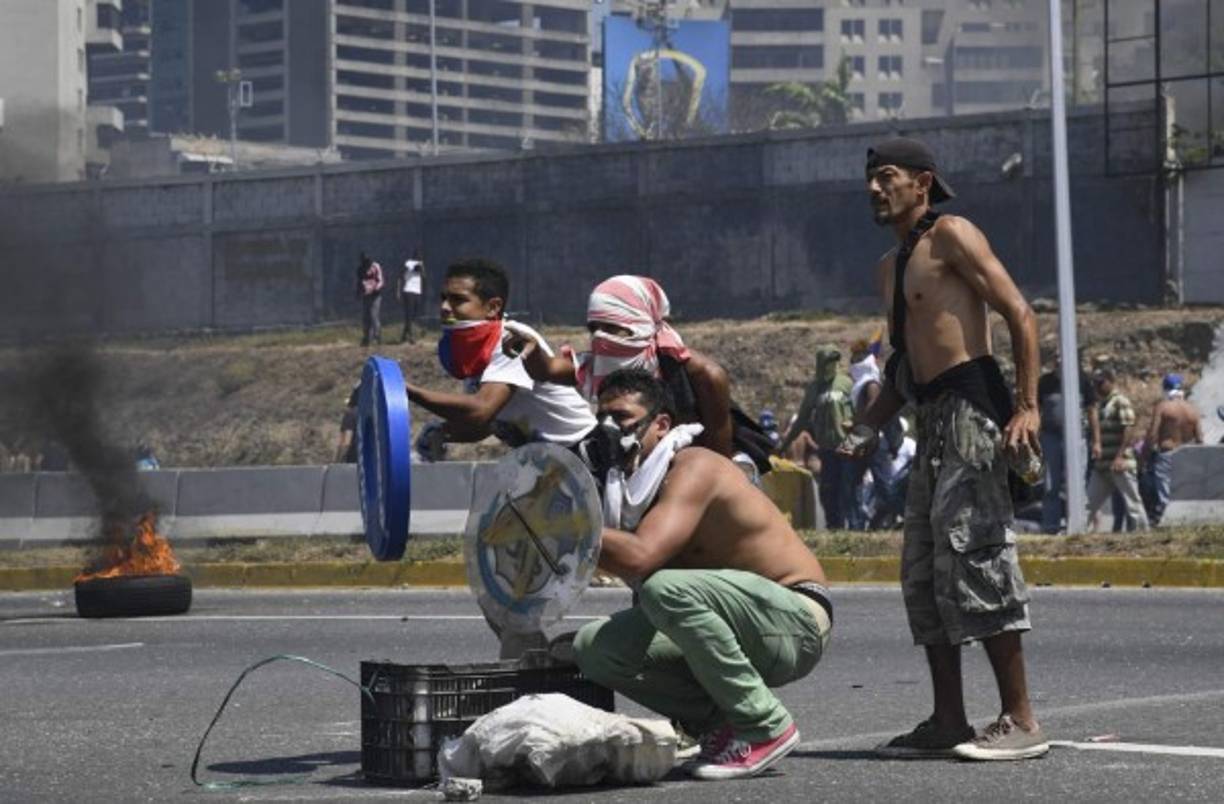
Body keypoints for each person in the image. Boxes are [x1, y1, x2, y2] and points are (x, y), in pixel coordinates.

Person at [843, 137, 1047, 760]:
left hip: (972, 413)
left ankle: (1020, 719)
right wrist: (870, 424)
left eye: (888, 177)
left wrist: (1028, 404)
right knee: (928, 571)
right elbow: (906, 363)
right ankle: (948, 719)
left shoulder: (952, 234)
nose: (877, 188)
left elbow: (1019, 313)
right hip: (928, 421)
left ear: (922, 182)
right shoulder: (889, 266)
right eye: (872, 180)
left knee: (977, 557)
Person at [572, 369, 832, 781]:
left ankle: (764, 725)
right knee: (593, 647)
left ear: (660, 424)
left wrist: (566, 527)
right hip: (738, 624)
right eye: (601, 416)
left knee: (663, 588)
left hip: (794, 620)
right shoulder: (631, 487)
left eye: (621, 417)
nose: (608, 429)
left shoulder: (694, 466)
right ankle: (719, 725)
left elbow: (640, 558)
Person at [508, 275, 774, 478]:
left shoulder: (702, 375)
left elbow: (719, 450)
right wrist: (529, 350)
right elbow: (548, 369)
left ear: (640, 324)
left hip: (695, 468)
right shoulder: (599, 364)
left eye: (613, 328)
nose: (601, 338)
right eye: (594, 328)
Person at [403, 258, 596, 454]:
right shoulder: (473, 349)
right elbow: (487, 423)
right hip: (542, 461)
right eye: (443, 298)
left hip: (582, 452)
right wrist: (444, 432)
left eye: (458, 299)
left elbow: (481, 410)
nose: (445, 307)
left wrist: (409, 392)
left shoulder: (511, 340)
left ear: (493, 307)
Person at [781, 347, 855, 529]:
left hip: (848, 446)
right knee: (828, 491)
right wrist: (785, 444)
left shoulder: (846, 383)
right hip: (827, 448)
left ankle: (854, 527)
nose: (831, 366)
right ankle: (834, 527)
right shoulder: (815, 388)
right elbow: (802, 419)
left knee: (848, 490)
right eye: (828, 361)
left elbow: (859, 414)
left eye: (834, 361)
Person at [1036, 359, 1100, 534]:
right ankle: (1050, 527)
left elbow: (1092, 410)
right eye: (1057, 362)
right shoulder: (1045, 382)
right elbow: (1036, 409)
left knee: (1077, 483)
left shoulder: (1082, 380)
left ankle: (1079, 526)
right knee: (1050, 484)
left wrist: (1096, 441)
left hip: (1077, 436)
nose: (1060, 364)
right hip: (1051, 437)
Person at [1085, 368, 1149, 532]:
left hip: (1120, 463)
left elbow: (1128, 429)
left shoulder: (1120, 401)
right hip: (1102, 464)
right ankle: (1078, 532)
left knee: (1133, 503)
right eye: (1095, 383)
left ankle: (1141, 534)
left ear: (1111, 382)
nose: (1097, 387)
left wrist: (1119, 457)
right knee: (1088, 504)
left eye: (1101, 383)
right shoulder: (1101, 404)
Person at [1142, 373, 1202, 526]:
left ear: (1166, 389)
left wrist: (1143, 455)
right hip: (1188, 455)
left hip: (1167, 455)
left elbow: (1152, 434)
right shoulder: (1193, 410)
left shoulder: (1163, 407)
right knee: (1184, 491)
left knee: (1165, 495)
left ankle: (1167, 523)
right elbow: (1200, 439)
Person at [847, 335, 884, 529]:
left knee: (885, 487)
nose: (853, 363)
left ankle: (880, 522)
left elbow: (872, 411)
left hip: (867, 437)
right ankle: (856, 524)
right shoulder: (859, 385)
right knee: (850, 482)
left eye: (856, 359)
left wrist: (857, 434)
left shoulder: (871, 383)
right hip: (858, 435)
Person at [357, 253, 385, 347]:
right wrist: (358, 292)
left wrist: (376, 289)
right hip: (366, 295)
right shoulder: (360, 269)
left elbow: (381, 280)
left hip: (376, 295)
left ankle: (377, 337)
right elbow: (359, 282)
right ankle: (367, 338)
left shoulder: (376, 266)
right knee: (365, 317)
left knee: (374, 316)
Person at [397, 250, 425, 343]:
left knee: (413, 314)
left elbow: (423, 275)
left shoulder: (420, 263)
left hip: (417, 291)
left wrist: (421, 266)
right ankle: (410, 336)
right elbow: (402, 273)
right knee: (409, 314)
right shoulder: (408, 263)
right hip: (408, 290)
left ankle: (404, 335)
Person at [335, 384, 360, 464]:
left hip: (353, 464)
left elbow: (346, 442)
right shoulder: (376, 416)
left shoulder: (350, 415)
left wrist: (338, 462)